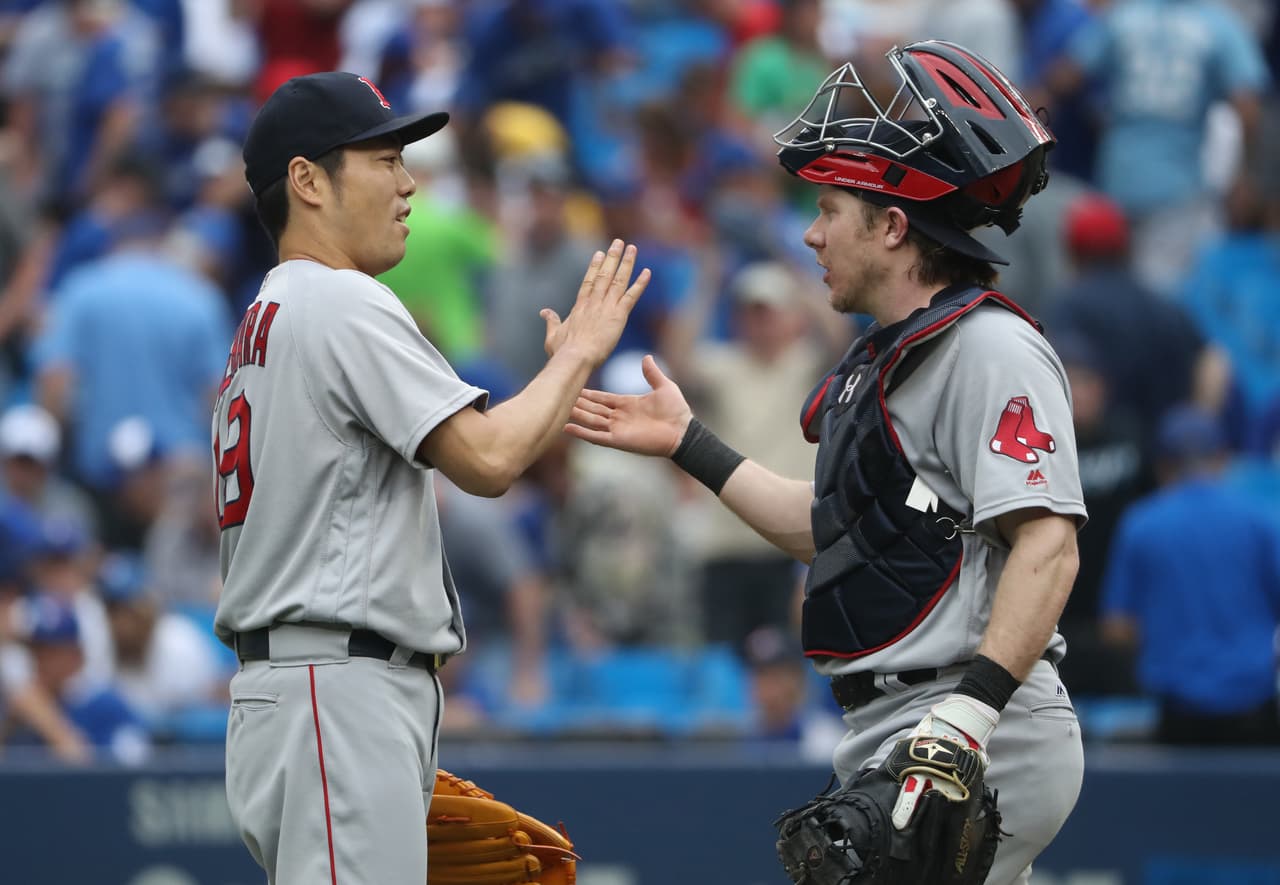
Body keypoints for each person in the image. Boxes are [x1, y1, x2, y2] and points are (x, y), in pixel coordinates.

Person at [567, 42, 1085, 885]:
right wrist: (688, 443)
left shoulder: (991, 347)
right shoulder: (881, 359)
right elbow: (833, 532)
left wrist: (972, 711)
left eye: (829, 209)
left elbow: (1048, 542)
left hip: (972, 720)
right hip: (900, 724)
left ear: (891, 225)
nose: (809, 232)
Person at [214, 71, 648, 885]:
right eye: (382, 159)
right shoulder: (342, 301)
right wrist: (583, 352)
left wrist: (556, 383)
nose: (409, 182)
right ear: (307, 180)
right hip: (335, 690)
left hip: (308, 688)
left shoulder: (265, 320)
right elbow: (487, 460)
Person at [1100, 405, 1280, 746]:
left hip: (1178, 710)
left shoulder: (1141, 523)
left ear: (1163, 466)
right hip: (1255, 706)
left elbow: (1117, 629)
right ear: (1223, 458)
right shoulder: (1259, 519)